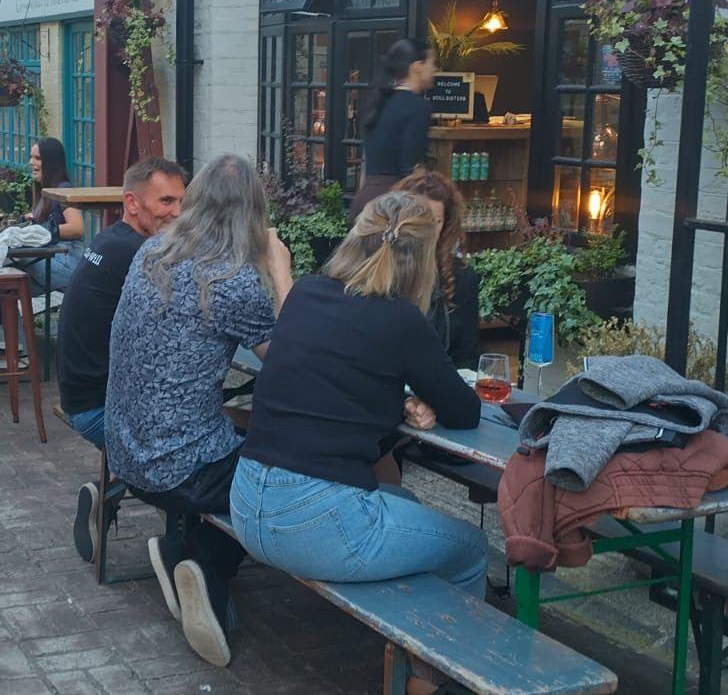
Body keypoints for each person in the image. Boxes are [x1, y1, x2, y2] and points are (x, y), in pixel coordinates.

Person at [229, 191, 486, 694]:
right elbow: (465, 409)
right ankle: (437, 681)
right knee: (471, 549)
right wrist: (420, 400)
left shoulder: (304, 292)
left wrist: (400, 401)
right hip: (316, 523)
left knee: (407, 505)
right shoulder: (402, 320)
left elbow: (330, 383)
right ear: (423, 260)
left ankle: (415, 658)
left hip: (247, 501)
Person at [105, 154, 294, 668]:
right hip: (180, 469)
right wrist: (281, 274)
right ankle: (206, 565)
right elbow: (297, 365)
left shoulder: (150, 252)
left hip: (121, 453)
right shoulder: (232, 281)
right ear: (253, 214)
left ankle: (181, 552)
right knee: (285, 477)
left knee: (231, 437)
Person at [59, 158, 188, 564]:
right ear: (132, 203)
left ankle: (111, 490)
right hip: (102, 411)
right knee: (203, 449)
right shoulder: (142, 255)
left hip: (85, 397)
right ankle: (186, 555)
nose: (177, 213)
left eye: (181, 202)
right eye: (166, 201)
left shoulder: (112, 241)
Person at [392, 168, 482, 369]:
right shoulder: (384, 272)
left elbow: (467, 356)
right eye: (421, 219)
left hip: (439, 389)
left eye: (437, 221)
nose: (429, 229)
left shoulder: (462, 277)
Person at [350, 37, 437, 218]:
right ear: (417, 66)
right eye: (432, 63)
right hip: (392, 206)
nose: (435, 70)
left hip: (365, 201)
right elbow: (411, 170)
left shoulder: (380, 102)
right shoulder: (417, 106)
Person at [23, 137, 85, 291]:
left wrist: (43, 230)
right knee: (3, 281)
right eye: (31, 157)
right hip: (50, 256)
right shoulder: (42, 191)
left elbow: (77, 228)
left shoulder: (63, 188)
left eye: (37, 158)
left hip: (68, 260)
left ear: (51, 162)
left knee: (9, 268)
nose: (31, 162)